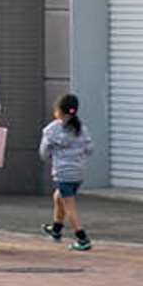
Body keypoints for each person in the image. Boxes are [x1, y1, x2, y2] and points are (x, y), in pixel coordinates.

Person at [40, 93, 95, 252]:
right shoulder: (81, 128)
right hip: (78, 173)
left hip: (63, 173)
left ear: (58, 110)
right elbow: (90, 149)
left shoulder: (51, 130)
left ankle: (82, 238)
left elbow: (43, 153)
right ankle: (56, 228)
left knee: (69, 207)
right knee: (58, 197)